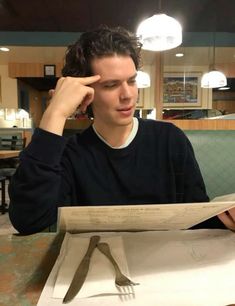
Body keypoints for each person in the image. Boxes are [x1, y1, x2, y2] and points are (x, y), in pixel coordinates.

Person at [8, 26, 235, 234]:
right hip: (95, 267)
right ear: (85, 93)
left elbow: (195, 216)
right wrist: (54, 114)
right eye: (111, 85)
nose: (128, 95)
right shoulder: (70, 152)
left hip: (163, 267)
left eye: (132, 81)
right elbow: (28, 220)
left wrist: (225, 218)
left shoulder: (169, 139)